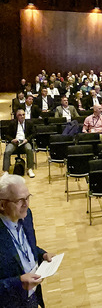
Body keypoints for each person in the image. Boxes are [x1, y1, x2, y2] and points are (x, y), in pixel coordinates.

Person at [0, 174, 56, 307]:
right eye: (20, 200)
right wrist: (18, 283)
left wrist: (42, 254)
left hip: (32, 297)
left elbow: (27, 247)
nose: (26, 204)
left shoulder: (26, 215)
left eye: (28, 198)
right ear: (2, 205)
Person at [4, 110, 35, 178]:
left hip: (24, 142)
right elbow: (7, 135)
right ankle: (6, 171)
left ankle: (30, 169)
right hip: (15, 142)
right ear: (17, 116)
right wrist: (12, 140)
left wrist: (27, 139)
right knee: (7, 151)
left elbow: (33, 134)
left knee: (29, 149)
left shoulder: (29, 123)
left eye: (23, 114)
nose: (22, 116)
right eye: (20, 115)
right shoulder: (12, 123)